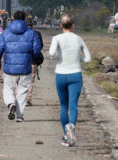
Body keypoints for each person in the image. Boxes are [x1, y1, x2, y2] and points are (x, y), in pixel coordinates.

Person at [49, 14, 91, 147]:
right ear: (73, 25)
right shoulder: (79, 39)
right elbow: (88, 58)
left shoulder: (56, 38)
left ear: (61, 25)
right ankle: (72, 125)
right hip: (75, 75)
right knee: (73, 105)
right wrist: (79, 59)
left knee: (63, 105)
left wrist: (58, 56)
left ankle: (66, 136)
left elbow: (51, 53)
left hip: (61, 74)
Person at [0, 11, 42, 123]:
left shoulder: (5, 33)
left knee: (8, 89)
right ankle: (20, 116)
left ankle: (11, 104)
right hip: (25, 67)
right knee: (23, 92)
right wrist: (31, 57)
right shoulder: (32, 33)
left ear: (12, 18)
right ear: (24, 19)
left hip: (9, 68)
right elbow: (36, 50)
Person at [25, 18, 44, 106]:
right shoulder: (37, 33)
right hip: (33, 61)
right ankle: (28, 99)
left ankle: (19, 98)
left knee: (19, 80)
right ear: (32, 25)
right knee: (31, 81)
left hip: (21, 61)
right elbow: (41, 46)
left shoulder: (20, 33)